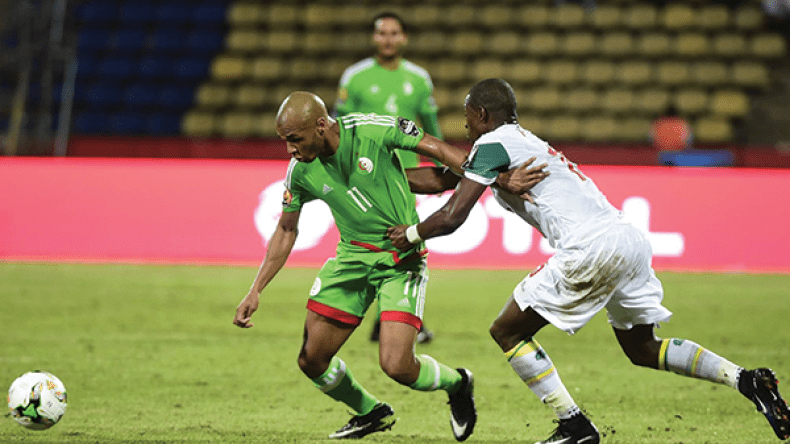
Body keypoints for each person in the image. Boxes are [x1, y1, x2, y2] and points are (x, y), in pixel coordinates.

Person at [387, 78, 790, 444]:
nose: (465, 128)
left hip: (590, 247)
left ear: (482, 115)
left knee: (507, 331)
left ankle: (574, 425)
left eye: (467, 119)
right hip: (627, 239)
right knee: (643, 349)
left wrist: (409, 236)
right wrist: (382, 177)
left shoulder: (493, 146)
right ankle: (748, 380)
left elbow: (453, 216)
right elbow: (443, 179)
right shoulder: (517, 143)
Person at [232, 91, 547, 441]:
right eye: (284, 141)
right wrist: (255, 289)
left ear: (320, 126)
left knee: (397, 366)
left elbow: (438, 150)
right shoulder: (300, 173)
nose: (289, 149)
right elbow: (286, 229)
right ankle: (371, 412)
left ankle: (458, 383)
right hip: (351, 259)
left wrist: (497, 178)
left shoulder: (373, 130)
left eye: (294, 139)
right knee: (312, 360)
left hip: (401, 258)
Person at [334, 11, 444, 343]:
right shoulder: (354, 77)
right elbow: (339, 128)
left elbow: (431, 127)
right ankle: (395, 320)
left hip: (403, 177)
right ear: (374, 37)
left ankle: (386, 320)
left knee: (400, 243)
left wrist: (441, 169)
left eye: (394, 33)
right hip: (364, 175)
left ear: (404, 38)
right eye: (382, 33)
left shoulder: (419, 78)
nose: (388, 39)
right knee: (387, 244)